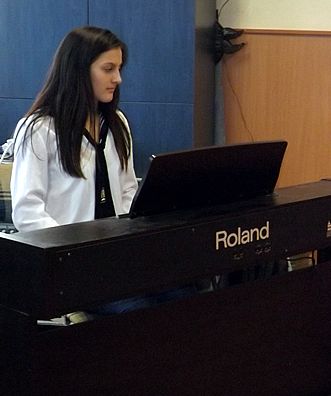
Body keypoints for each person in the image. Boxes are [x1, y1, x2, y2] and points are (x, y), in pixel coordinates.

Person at [10, 26, 194, 316]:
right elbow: (27, 212)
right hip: (71, 265)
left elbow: (128, 191)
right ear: (79, 71)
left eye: (119, 69)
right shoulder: (39, 129)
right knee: (136, 309)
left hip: (118, 256)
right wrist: (74, 252)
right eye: (108, 69)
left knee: (187, 291)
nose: (118, 79)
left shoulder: (117, 122)